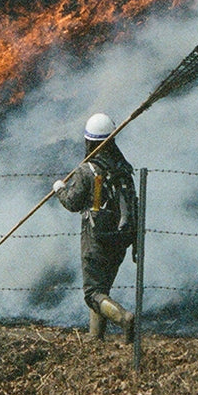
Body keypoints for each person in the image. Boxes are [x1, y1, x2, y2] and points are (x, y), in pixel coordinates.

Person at [53, 112, 137, 341]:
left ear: (89, 141)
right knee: (102, 288)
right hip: (120, 239)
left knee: (92, 294)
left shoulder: (86, 170)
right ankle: (95, 335)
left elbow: (72, 202)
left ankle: (123, 318)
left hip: (96, 238)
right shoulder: (124, 169)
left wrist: (59, 189)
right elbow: (133, 204)